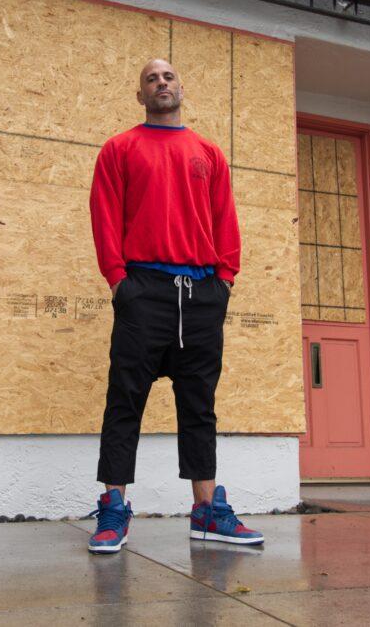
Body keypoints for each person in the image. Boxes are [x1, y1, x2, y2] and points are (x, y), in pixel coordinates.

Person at [86, 57, 264, 553]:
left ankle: (207, 511)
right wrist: (119, 281)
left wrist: (224, 280)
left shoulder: (207, 152)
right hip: (144, 290)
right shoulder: (119, 149)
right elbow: (104, 218)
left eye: (168, 77)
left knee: (199, 407)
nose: (161, 83)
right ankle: (113, 510)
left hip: (203, 294)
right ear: (140, 96)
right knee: (124, 402)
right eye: (150, 79)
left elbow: (225, 217)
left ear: (181, 88)